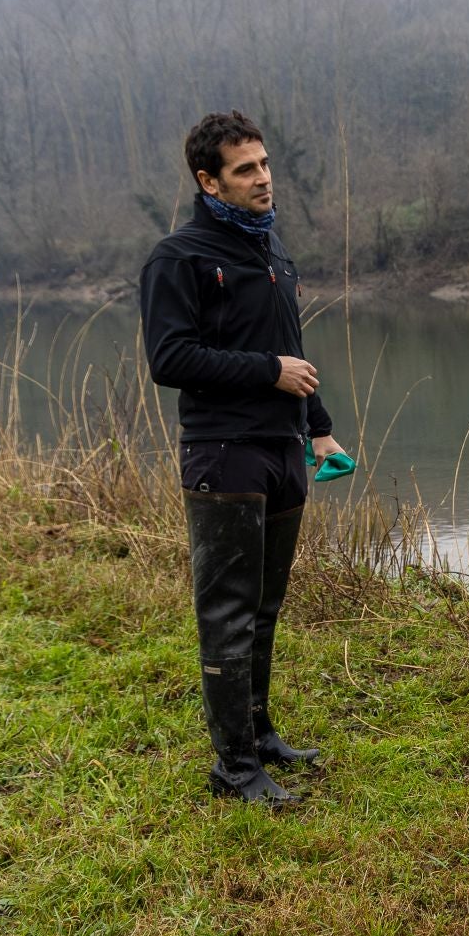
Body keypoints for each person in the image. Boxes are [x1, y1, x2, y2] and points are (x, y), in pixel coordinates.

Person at [139, 110, 347, 807]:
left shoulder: (272, 253)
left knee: (265, 603)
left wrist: (319, 427)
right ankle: (233, 770)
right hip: (222, 452)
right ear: (209, 181)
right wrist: (267, 372)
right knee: (227, 610)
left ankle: (259, 739)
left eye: (264, 163)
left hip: (283, 448)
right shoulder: (180, 257)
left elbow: (292, 351)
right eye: (245, 170)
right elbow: (170, 359)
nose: (263, 179)